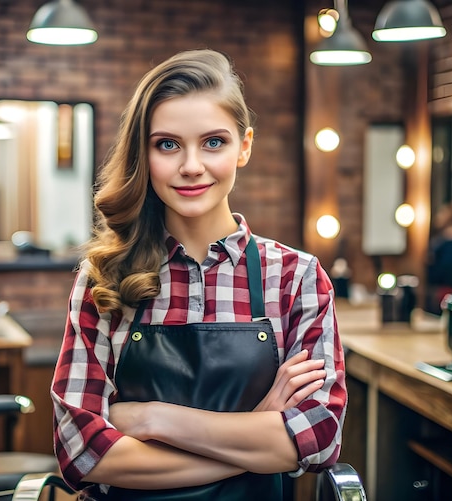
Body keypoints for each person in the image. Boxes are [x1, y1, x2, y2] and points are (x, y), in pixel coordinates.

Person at [51, 48, 347, 500]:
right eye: (167, 144)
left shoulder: (295, 278)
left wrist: (152, 418)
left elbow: (317, 438)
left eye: (214, 142)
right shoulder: (103, 280)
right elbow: (83, 452)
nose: (191, 166)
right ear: (144, 154)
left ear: (244, 146)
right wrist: (258, 431)